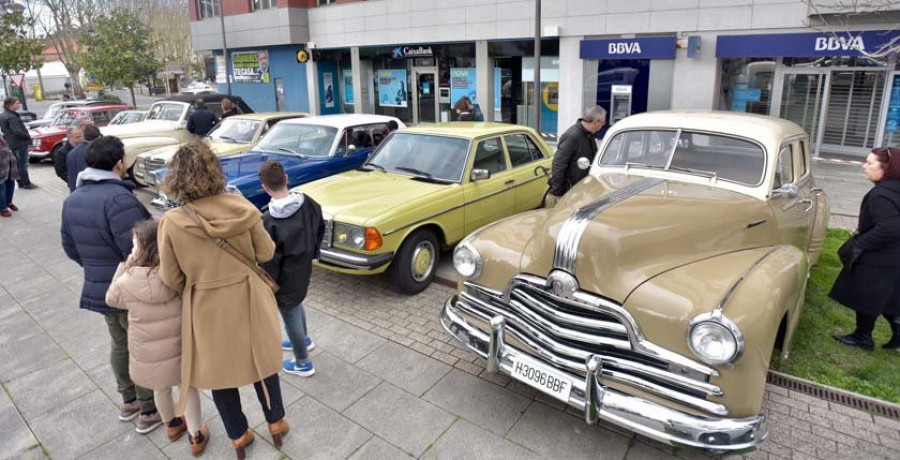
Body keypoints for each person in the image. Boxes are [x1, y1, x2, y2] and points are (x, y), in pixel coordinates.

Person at [157, 142, 288, 459]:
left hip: (206, 304)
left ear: (176, 178)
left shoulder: (172, 222)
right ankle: (276, 422)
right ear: (215, 171)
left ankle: (239, 436)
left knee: (219, 373)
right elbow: (266, 253)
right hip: (249, 296)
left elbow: (171, 278)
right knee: (261, 362)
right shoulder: (241, 207)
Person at [60, 135, 160, 432]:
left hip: (100, 287)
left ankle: (128, 400)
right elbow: (138, 249)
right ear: (119, 163)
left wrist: (94, 269)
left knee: (119, 343)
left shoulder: (73, 198)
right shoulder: (118, 199)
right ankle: (148, 407)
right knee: (138, 345)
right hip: (127, 287)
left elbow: (69, 247)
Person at [106, 219, 210, 455]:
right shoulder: (175, 275)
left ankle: (172, 425)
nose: (132, 250)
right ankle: (196, 435)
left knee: (160, 388)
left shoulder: (126, 280)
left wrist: (125, 265)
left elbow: (111, 300)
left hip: (146, 350)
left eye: (134, 246)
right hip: (178, 345)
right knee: (188, 388)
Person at [830, 147, 900, 351]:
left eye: (870, 163)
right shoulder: (895, 188)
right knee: (885, 296)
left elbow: (890, 227)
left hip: (880, 255)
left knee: (866, 295)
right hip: (892, 256)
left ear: (886, 168)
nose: (864, 166)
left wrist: (861, 243)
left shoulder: (881, 195)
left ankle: (863, 337)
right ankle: (893, 333)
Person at [258, 160, 324, 377]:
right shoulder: (309, 203)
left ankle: (303, 362)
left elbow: (269, 257)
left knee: (289, 314)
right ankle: (304, 338)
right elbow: (320, 227)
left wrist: (270, 282)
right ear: (286, 179)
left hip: (284, 276)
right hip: (304, 267)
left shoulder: (268, 220)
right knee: (296, 303)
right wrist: (313, 252)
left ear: (265, 187)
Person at [546, 106, 607, 206]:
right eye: (603, 122)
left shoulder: (589, 134)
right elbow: (559, 164)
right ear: (596, 122)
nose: (603, 125)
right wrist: (558, 193)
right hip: (571, 191)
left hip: (583, 188)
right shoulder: (573, 136)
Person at [0, 97, 36, 189]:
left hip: (11, 143)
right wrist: (27, 136)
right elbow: (17, 131)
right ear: (10, 105)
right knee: (22, 164)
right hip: (20, 143)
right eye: (16, 103)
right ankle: (26, 183)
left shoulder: (3, 115)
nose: (18, 104)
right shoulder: (12, 117)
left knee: (16, 164)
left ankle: (20, 182)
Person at [67, 124, 102, 192]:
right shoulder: (96, 152)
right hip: (92, 193)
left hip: (76, 194)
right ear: (98, 137)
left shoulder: (71, 153)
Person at [0, 137, 19, 217]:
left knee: (11, 183)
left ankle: (8, 202)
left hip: (9, 163)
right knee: (1, 187)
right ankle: (3, 208)